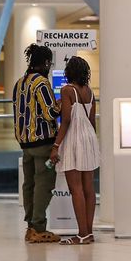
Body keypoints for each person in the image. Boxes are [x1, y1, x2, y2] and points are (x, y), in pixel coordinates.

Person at [12, 43, 60, 244]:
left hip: (25, 144)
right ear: (46, 62)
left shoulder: (20, 83)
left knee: (29, 185)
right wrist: (62, 103)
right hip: (43, 143)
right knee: (44, 184)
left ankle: (30, 227)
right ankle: (38, 227)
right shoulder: (41, 83)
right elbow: (51, 113)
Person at [50, 56, 100, 245]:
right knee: (89, 188)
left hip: (74, 138)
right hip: (89, 138)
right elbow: (92, 120)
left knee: (75, 188)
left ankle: (82, 234)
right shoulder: (89, 92)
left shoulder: (67, 90)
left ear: (68, 72)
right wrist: (91, 142)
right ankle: (88, 233)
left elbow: (66, 120)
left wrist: (56, 146)